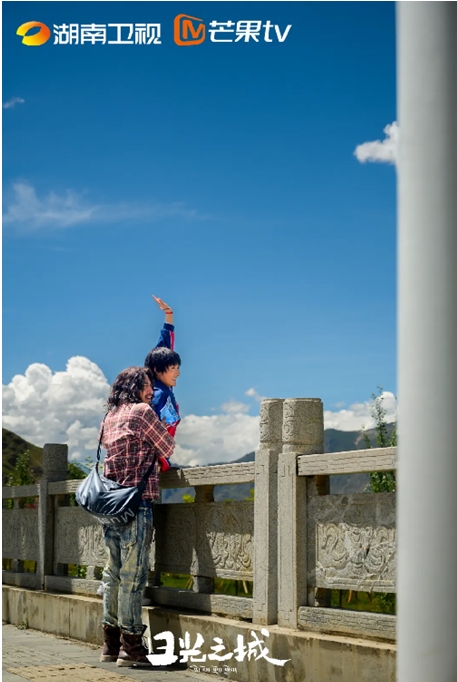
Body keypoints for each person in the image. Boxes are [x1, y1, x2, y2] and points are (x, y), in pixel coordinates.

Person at [99, 366, 174, 668]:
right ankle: (131, 648)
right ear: (135, 387)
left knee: (112, 574)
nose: (151, 391)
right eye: (147, 386)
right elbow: (167, 447)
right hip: (136, 502)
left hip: (110, 504)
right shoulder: (143, 412)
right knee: (133, 577)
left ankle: (110, 644)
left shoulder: (109, 416)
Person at [144, 296, 181, 471]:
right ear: (157, 369)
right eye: (172, 367)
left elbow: (166, 344)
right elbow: (151, 429)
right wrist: (158, 459)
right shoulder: (156, 395)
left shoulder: (162, 388)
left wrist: (168, 313)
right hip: (152, 460)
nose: (177, 372)